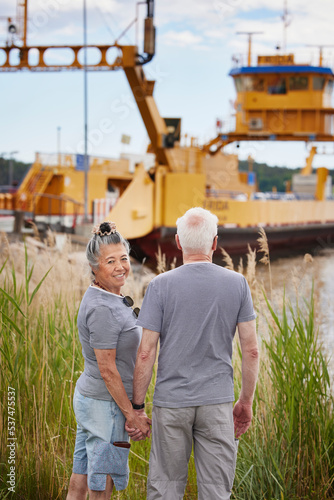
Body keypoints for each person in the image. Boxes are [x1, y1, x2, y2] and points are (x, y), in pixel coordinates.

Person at [130, 207, 259, 500]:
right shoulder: (237, 283)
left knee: (165, 489)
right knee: (216, 492)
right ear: (214, 243)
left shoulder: (160, 286)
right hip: (217, 402)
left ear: (178, 242)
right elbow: (251, 350)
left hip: (171, 402)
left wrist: (138, 407)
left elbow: (146, 354)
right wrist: (245, 401)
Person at [67, 221, 151, 500]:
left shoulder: (109, 296)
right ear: (94, 267)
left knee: (82, 477)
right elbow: (107, 369)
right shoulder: (102, 308)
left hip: (95, 401)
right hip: (105, 406)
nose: (120, 267)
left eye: (124, 258)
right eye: (110, 261)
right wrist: (132, 414)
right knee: (101, 484)